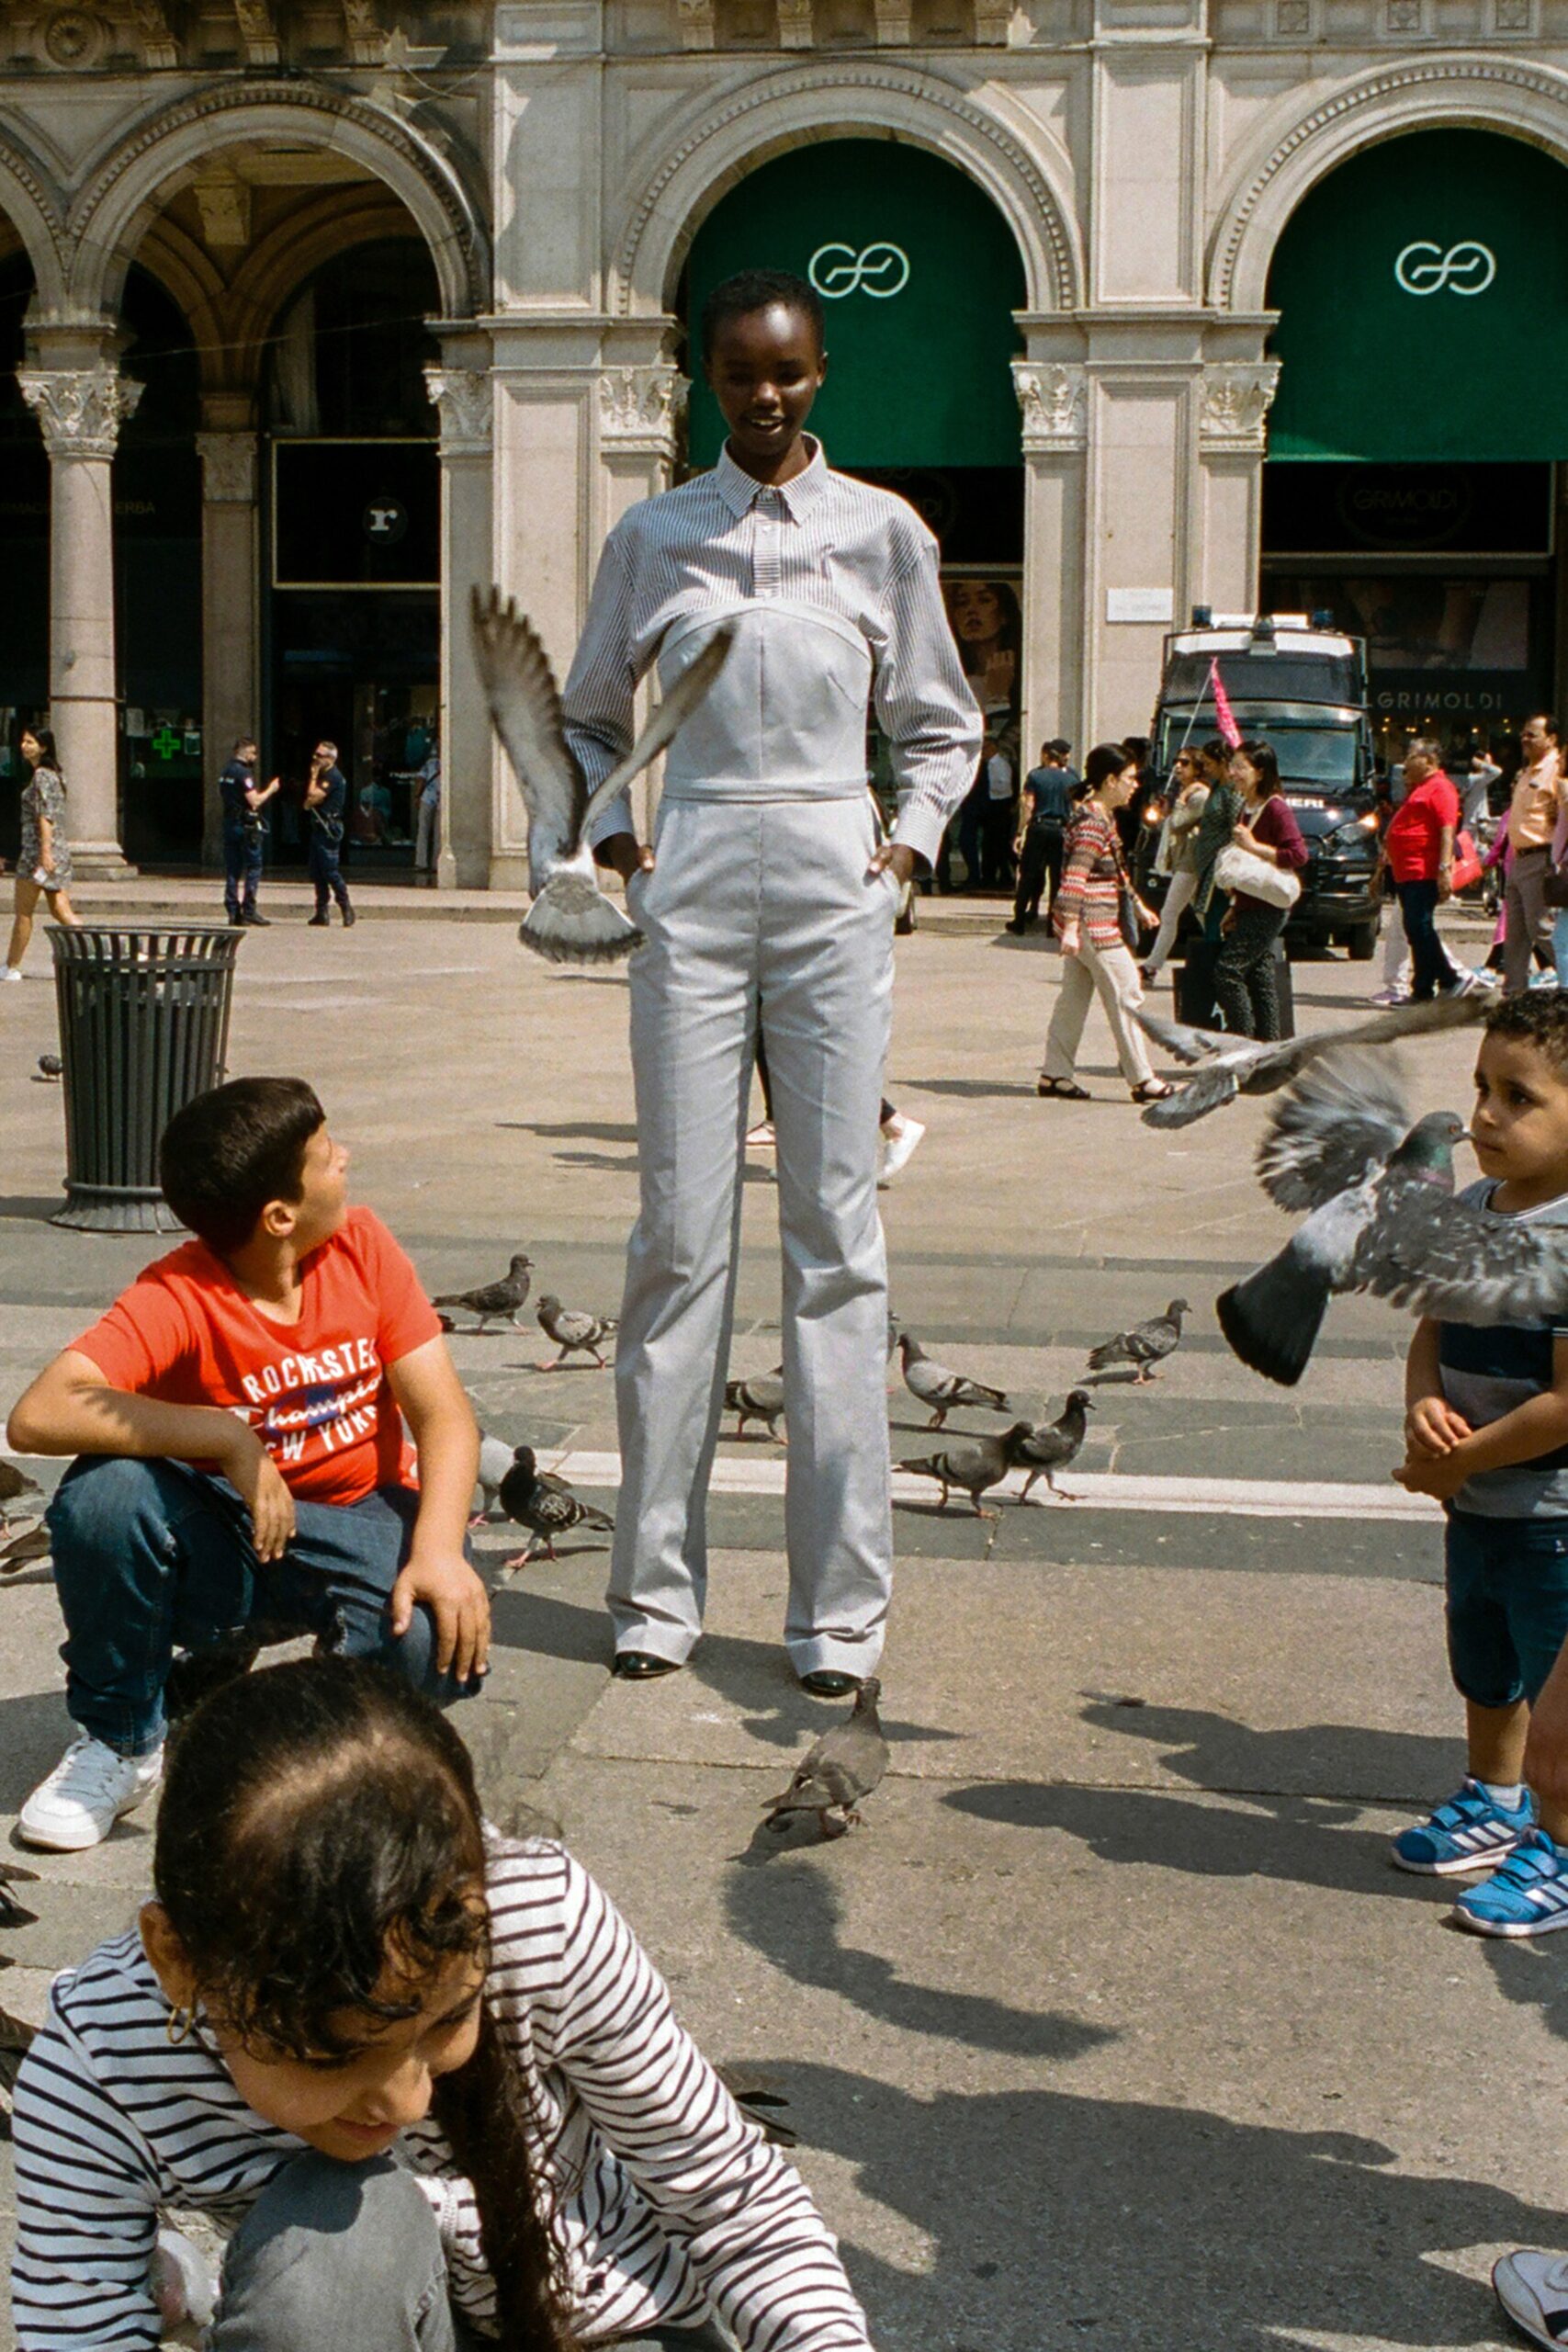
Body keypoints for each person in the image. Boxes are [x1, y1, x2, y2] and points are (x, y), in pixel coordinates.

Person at [9, 1656, 874, 2352]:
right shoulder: (101, 2062)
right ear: (178, 1961)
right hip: (360, 2313)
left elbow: (734, 2201)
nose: (408, 2099)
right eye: (333, 2052)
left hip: (610, 2315)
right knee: (328, 2242)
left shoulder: (532, 1919)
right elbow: (74, 2324)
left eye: (445, 2023)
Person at [560, 267, 978, 1694]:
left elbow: (940, 727)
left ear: (821, 374)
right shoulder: (653, 531)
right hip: (688, 872)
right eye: (738, 372)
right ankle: (653, 1596)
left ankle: (835, 1615)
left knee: (834, 1245)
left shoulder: (883, 534)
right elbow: (582, 714)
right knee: (676, 1242)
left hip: (827, 872)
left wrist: (902, 859)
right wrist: (619, 837)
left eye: (787, 373)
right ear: (702, 376)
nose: (764, 396)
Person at [4, 1076, 489, 1852]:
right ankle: (122, 1742)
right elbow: (37, 1415)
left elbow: (445, 1416)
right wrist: (228, 1438)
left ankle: (335, 1757)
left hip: (356, 1516)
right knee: (104, 1496)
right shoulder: (180, 1291)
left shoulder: (363, 1248)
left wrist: (438, 1552)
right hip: (229, 1535)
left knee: (429, 1632)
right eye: (328, 1155)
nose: (346, 1160)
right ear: (279, 1216)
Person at [1393, 991, 1568, 1939]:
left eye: (1520, 1097)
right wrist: (1425, 1403)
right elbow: (1432, 1330)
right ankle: (1494, 1803)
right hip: (1480, 1498)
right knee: (1486, 1660)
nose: (1487, 1115)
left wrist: (1452, 1465)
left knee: (1558, 1693)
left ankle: (1563, 1840)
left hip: (1554, 1508)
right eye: (1481, 1090)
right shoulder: (1471, 1208)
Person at [1037, 741, 1171, 1106]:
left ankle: (1055, 1073)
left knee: (1073, 1002)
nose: (1135, 785)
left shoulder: (1097, 818)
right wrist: (1070, 928)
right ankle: (1142, 1078)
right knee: (1128, 994)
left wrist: (1138, 906)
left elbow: (1115, 871)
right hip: (1095, 927)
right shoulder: (1093, 823)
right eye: (1129, 778)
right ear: (1110, 780)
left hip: (1089, 925)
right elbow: (1074, 878)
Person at [1212, 738, 1307, 1041]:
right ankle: (1269, 1048)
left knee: (1227, 972)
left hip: (1269, 907)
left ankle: (1242, 1041)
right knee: (1261, 976)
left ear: (1261, 772)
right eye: (1233, 766)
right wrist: (1235, 907)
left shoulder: (1276, 809)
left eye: (1241, 767)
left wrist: (1255, 847)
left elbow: (1298, 854)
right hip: (1250, 904)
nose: (1234, 773)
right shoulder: (1246, 808)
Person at [1382, 736, 1472, 1001]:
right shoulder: (1421, 788)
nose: (1406, 763)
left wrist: (1444, 868)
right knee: (1415, 928)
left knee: (1419, 926)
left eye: (1412, 757)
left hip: (1423, 870)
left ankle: (1448, 978)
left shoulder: (1440, 788)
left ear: (1429, 761)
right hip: (1406, 871)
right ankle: (1423, 988)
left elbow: (1447, 830)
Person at [5, 725, 79, 982]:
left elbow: (45, 816)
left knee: (24, 911)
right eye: (23, 741)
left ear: (43, 746)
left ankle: (12, 965)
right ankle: (95, 950)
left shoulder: (42, 777)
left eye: (30, 742)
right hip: (56, 852)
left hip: (37, 853)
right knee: (61, 910)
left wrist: (44, 853)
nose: (24, 746)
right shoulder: (56, 775)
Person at [1502, 712, 1564, 996]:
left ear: (1551, 739)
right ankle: (1513, 995)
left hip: (1541, 858)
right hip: (1519, 859)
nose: (1524, 738)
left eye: (1532, 734)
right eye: (1524, 733)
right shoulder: (1528, 772)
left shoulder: (1556, 771)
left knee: (1542, 929)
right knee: (1515, 934)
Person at [1139, 744, 1209, 982]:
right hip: (1181, 861)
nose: (1178, 767)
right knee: (1200, 912)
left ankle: (1151, 966)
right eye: (1177, 762)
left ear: (1198, 768)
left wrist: (1177, 804)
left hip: (1191, 862)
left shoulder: (1199, 795)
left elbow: (1180, 823)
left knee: (1170, 914)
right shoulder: (1185, 793)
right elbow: (1167, 825)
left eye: (1185, 763)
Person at [1008, 738, 1077, 933]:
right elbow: (1077, 807)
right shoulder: (1072, 778)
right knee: (1057, 878)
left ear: (1046, 756)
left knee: (1028, 874)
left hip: (1039, 828)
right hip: (1062, 830)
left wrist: (1020, 831)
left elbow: (1028, 805)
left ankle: (1019, 919)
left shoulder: (1036, 776)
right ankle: (1051, 923)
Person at [219, 736, 279, 929]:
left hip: (230, 823)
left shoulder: (225, 771)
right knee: (254, 866)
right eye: (253, 753)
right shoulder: (243, 773)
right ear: (244, 752)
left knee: (233, 869)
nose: (255, 757)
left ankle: (233, 910)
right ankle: (249, 910)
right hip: (245, 825)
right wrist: (271, 789)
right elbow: (254, 801)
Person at [305, 739, 355, 928]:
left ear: (330, 758)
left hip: (329, 828)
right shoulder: (323, 776)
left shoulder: (332, 777)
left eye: (320, 755)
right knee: (317, 872)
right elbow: (307, 804)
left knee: (330, 871)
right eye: (315, 754)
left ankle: (346, 907)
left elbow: (312, 798)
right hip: (318, 827)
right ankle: (321, 912)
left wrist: (312, 777)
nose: (315, 758)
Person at [979, 735, 1015, 888]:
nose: (983, 753)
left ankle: (1006, 874)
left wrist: (992, 791)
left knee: (1000, 843)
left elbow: (1005, 786)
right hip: (991, 806)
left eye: (985, 749)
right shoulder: (987, 765)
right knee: (990, 844)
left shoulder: (1000, 764)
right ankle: (991, 876)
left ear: (993, 747)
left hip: (1000, 805)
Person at [416, 741, 441, 876]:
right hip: (442, 799)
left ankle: (421, 862)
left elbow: (421, 779)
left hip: (427, 798)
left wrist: (416, 796)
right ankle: (436, 863)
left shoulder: (430, 763)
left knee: (423, 830)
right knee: (438, 833)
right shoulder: (448, 764)